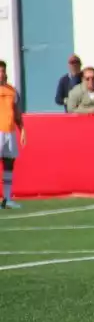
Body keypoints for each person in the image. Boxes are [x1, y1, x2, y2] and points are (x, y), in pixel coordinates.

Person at [0, 60, 25, 210]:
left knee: (9, 164)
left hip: (9, 132)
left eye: (3, 70)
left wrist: (22, 128)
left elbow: (16, 112)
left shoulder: (12, 91)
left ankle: (7, 199)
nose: (1, 73)